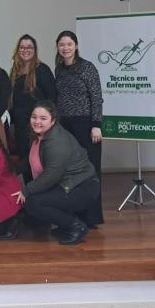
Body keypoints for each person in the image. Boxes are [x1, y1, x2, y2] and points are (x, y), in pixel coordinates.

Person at [11, 101, 100, 245]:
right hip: (66, 183)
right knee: (35, 199)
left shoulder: (57, 141)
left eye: (43, 118)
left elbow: (51, 176)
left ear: (53, 121)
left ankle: (76, 226)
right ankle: (65, 225)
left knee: (33, 203)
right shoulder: (39, 134)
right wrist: (12, 170)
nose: (37, 121)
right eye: (34, 117)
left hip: (82, 187)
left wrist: (26, 191)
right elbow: (32, 159)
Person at [54, 30, 104, 227]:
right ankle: (73, 216)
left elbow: (97, 98)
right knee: (70, 171)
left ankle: (92, 217)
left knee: (90, 170)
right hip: (65, 126)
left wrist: (96, 125)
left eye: (69, 44)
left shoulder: (87, 68)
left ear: (76, 46)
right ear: (57, 47)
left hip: (86, 125)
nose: (65, 48)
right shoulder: (59, 69)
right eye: (62, 44)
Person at [8, 34, 57, 179]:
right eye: (22, 47)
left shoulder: (42, 69)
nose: (25, 50)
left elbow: (52, 98)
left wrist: (48, 123)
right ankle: (29, 192)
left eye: (29, 47)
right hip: (21, 127)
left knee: (38, 163)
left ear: (35, 50)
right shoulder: (15, 71)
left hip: (38, 127)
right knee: (25, 163)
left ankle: (40, 192)